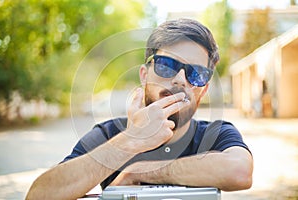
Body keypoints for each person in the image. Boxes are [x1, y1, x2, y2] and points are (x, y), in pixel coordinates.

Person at [26, 18, 253, 200]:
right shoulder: (109, 134)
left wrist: (140, 172)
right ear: (145, 76)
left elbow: (240, 171)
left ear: (203, 90)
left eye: (196, 74)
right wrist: (132, 139)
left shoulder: (216, 133)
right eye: (167, 65)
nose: (180, 79)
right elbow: (39, 195)